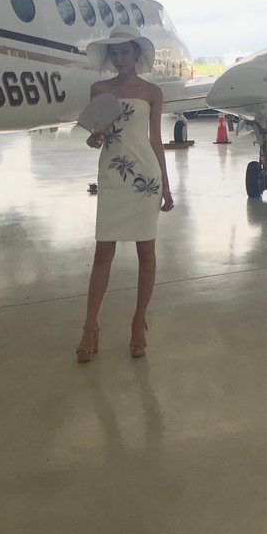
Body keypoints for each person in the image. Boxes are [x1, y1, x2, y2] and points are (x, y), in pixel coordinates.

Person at [76, 29, 174, 363]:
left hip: (145, 176)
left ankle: (138, 323)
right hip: (113, 176)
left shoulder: (152, 92)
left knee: (147, 251)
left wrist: (167, 184)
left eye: (126, 53)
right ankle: (90, 326)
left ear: (136, 55)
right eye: (115, 54)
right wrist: (94, 139)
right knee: (103, 251)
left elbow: (156, 141)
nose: (120, 59)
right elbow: (96, 135)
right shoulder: (99, 90)